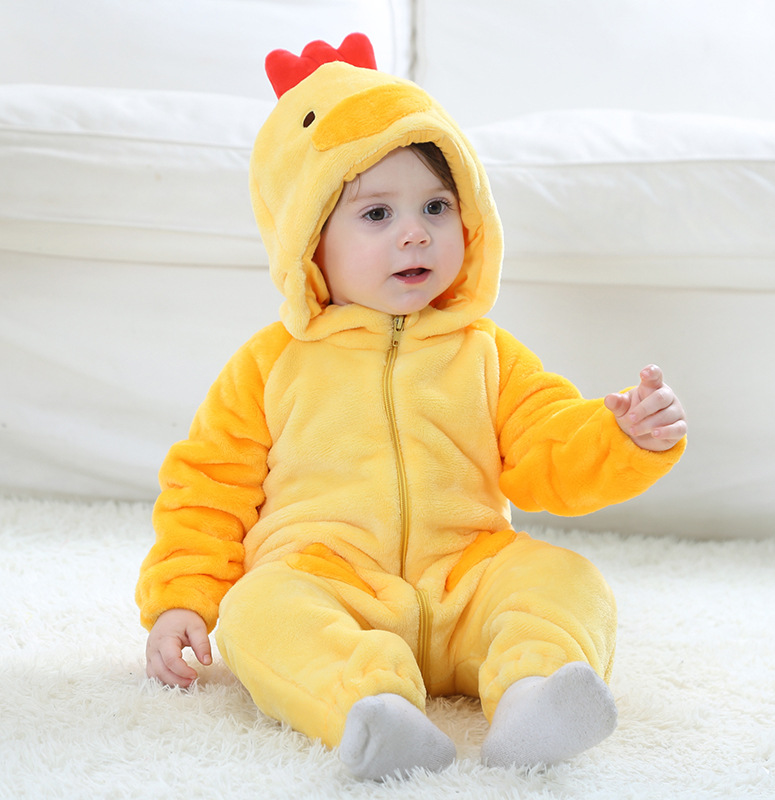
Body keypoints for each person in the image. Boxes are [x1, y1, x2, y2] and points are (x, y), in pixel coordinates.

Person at [136, 33, 686, 781]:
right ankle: (369, 706)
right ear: (308, 240)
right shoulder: (270, 364)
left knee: (568, 581)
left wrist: (622, 435)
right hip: (328, 579)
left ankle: (532, 697)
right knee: (259, 609)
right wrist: (183, 599)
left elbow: (546, 445)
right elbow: (207, 489)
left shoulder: (486, 353)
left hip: (468, 577)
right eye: (376, 215)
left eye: (435, 205)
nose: (416, 232)